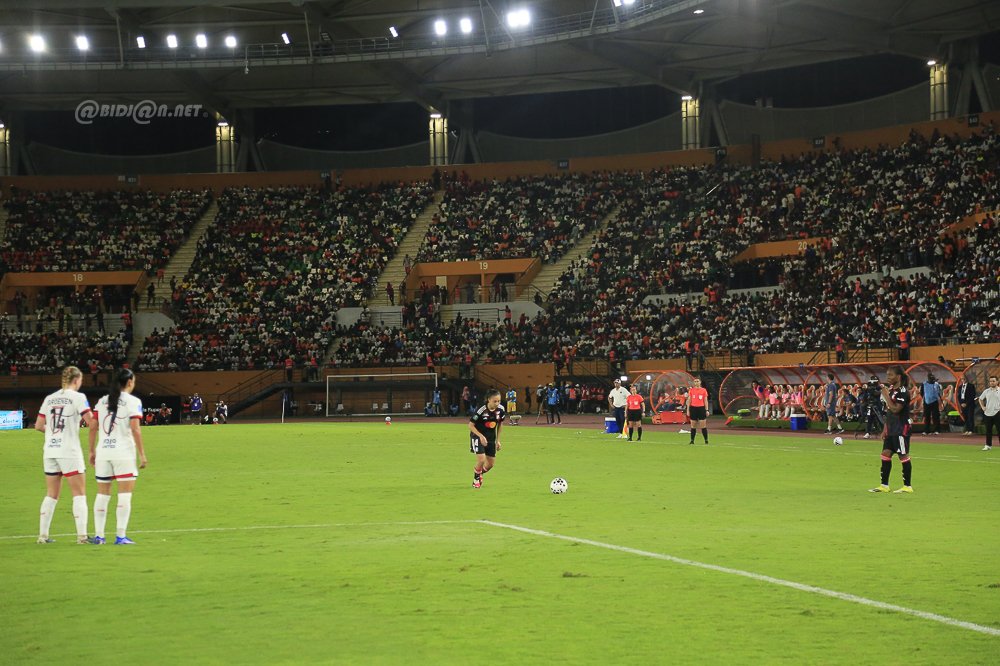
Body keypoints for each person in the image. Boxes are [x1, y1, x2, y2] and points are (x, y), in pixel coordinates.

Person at [34, 366, 96, 544]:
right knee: (79, 493)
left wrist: (53, 433)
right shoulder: (78, 397)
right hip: (69, 451)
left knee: (51, 494)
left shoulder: (50, 398)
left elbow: (38, 425)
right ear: (76, 380)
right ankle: (82, 537)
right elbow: (91, 422)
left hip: (50, 451)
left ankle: (43, 536)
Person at [89, 368, 148, 544]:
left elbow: (93, 426)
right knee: (124, 495)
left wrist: (91, 451)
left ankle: (99, 536)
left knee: (102, 494)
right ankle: (120, 536)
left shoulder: (102, 401)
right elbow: (136, 429)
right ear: (129, 382)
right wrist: (142, 454)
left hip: (103, 452)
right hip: (123, 453)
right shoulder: (133, 401)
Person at [869, 366, 913, 493]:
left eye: (890, 375)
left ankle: (907, 486)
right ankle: (884, 485)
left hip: (901, 429)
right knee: (885, 454)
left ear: (898, 377)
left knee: (903, 455)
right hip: (891, 428)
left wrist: (885, 395)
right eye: (887, 375)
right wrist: (885, 429)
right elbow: (889, 412)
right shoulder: (893, 390)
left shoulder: (903, 391)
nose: (888, 378)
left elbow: (895, 409)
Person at [469, 389, 505, 489]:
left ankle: (479, 474)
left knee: (490, 464)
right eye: (495, 401)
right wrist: (480, 436)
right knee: (481, 459)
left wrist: (498, 440)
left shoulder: (501, 410)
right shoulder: (481, 410)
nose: (497, 403)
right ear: (489, 400)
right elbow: (471, 425)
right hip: (477, 436)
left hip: (490, 438)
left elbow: (500, 424)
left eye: (499, 401)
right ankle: (476, 479)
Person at [686, 377, 710, 445]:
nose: (696, 382)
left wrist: (707, 410)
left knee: (703, 425)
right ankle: (692, 440)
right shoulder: (691, 390)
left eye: (697, 381)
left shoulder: (703, 390)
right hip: (693, 408)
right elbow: (689, 400)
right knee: (693, 425)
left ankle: (706, 440)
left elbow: (705, 400)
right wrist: (688, 410)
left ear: (700, 382)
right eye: (695, 381)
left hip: (701, 408)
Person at [978, 376, 999, 451]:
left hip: (997, 413)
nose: (992, 382)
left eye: (993, 381)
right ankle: (988, 445)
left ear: (997, 382)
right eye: (990, 381)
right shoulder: (986, 391)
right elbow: (980, 399)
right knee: (988, 431)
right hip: (987, 413)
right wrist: (983, 407)